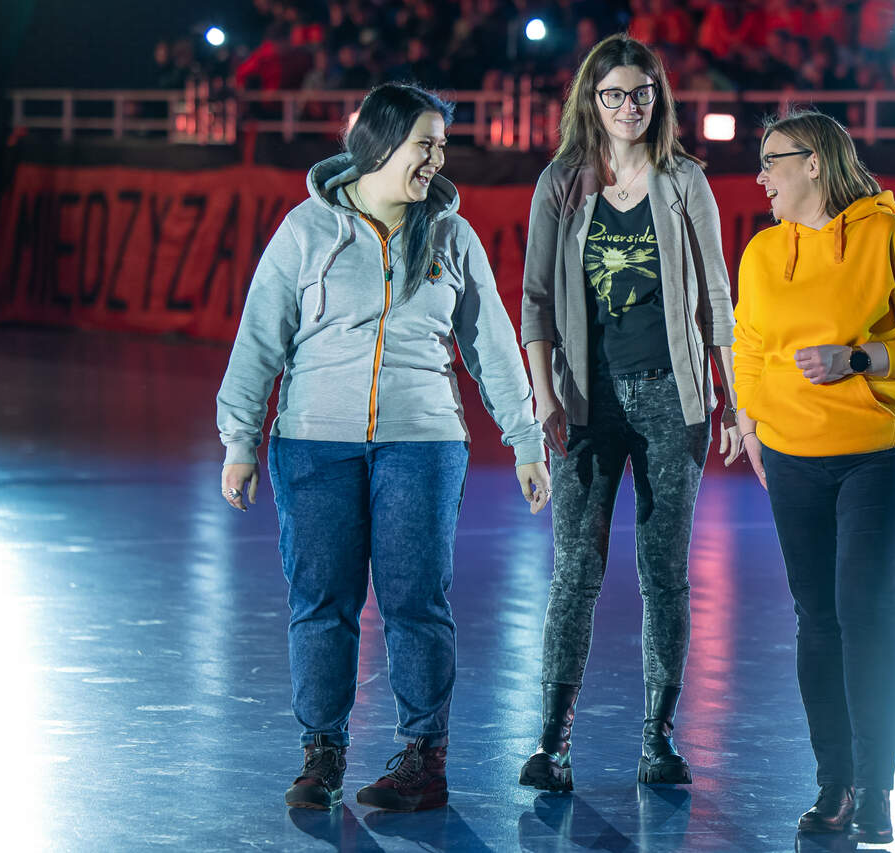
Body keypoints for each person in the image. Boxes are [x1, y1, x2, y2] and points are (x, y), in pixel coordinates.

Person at [216, 83, 550, 813]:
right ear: (378, 145)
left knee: (415, 602)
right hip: (314, 445)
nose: (437, 159)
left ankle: (423, 759)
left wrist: (525, 439)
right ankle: (322, 753)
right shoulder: (305, 230)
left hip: (423, 445)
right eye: (424, 144)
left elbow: (491, 346)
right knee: (322, 602)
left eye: (442, 145)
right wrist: (240, 438)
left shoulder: (452, 237)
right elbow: (259, 338)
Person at [732, 110, 895, 844]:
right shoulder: (763, 252)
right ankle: (837, 784)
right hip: (791, 453)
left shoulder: (893, 237)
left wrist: (860, 358)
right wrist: (749, 421)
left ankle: (877, 786)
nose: (760, 177)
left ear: (814, 163)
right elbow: (749, 344)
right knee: (818, 617)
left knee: (865, 605)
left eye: (772, 161)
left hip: (884, 448)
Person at [517, 34, 741, 793]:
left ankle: (658, 739)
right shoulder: (560, 182)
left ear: (658, 98)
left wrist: (732, 400)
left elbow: (716, 298)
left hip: (673, 400)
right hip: (586, 400)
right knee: (574, 574)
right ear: (592, 99)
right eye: (612, 94)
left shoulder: (685, 182)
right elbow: (536, 299)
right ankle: (552, 743)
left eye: (640, 93)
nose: (627, 107)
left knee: (664, 574)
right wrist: (545, 393)